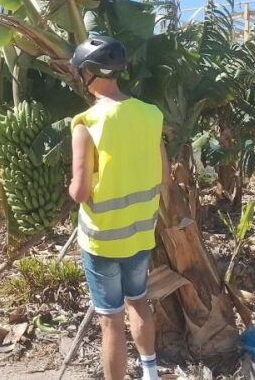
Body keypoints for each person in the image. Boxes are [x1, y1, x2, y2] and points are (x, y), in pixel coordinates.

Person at [67, 36, 169, 380]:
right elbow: (164, 175)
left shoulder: (87, 122)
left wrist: (72, 187)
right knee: (138, 301)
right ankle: (151, 373)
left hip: (102, 241)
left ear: (89, 73)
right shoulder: (151, 115)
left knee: (110, 319)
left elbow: (80, 192)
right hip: (140, 234)